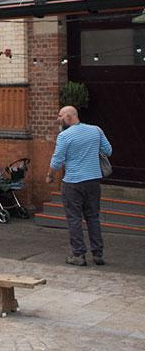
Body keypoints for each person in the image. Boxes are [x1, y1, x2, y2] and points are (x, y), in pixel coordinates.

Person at [47, 105, 112, 266]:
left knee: (74, 219)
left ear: (69, 117)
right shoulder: (96, 130)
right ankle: (98, 254)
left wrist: (50, 176)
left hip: (73, 183)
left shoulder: (64, 136)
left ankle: (78, 255)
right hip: (93, 181)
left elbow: (57, 160)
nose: (58, 119)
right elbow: (108, 150)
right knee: (93, 217)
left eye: (60, 116)